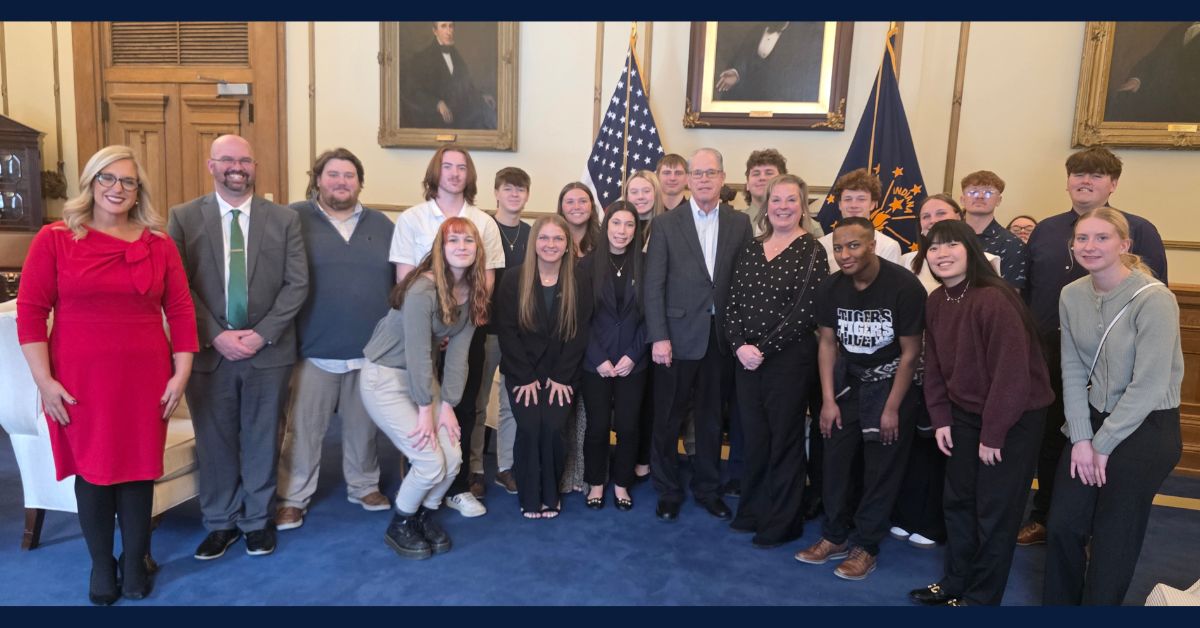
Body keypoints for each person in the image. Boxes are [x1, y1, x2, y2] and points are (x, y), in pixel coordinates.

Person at [17, 146, 198, 604]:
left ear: (140, 192)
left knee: (138, 471)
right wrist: (45, 382)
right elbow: (32, 314)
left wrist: (181, 374)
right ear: (91, 183)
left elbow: (179, 311)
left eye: (127, 181)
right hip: (79, 381)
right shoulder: (55, 239)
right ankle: (102, 565)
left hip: (144, 378)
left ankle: (135, 561)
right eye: (107, 179)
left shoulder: (160, 244)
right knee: (94, 473)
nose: (117, 188)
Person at [1017, 146, 1167, 547]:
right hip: (1051, 352)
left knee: (1108, 443)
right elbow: (1028, 292)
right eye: (1078, 173)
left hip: (1115, 361)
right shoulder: (1046, 230)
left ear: (1113, 184)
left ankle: (1095, 530)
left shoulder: (1140, 229)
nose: (1085, 181)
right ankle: (1047, 517)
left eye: (1096, 175)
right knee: (1053, 438)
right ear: (1067, 182)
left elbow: (1154, 294)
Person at [168, 135, 308, 561]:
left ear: (254, 166)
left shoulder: (283, 220)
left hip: (269, 350)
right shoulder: (184, 217)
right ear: (211, 165)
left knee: (263, 438)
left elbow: (297, 283)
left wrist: (261, 333)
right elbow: (178, 287)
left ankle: (256, 522)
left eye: (245, 160)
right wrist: (216, 334)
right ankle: (220, 522)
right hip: (211, 352)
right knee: (215, 439)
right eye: (227, 159)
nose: (237, 167)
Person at [907, 220, 1052, 606]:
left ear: (971, 250)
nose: (942, 254)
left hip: (1012, 418)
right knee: (958, 502)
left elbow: (1012, 375)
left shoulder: (994, 298)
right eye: (934, 248)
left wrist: (994, 434)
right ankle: (955, 581)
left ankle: (981, 597)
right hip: (965, 413)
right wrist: (940, 419)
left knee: (994, 512)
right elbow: (934, 366)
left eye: (952, 245)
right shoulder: (937, 300)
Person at [1043, 208, 1182, 605]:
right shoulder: (1071, 294)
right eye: (1082, 238)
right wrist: (1083, 437)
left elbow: (1150, 384)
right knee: (1063, 525)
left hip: (1148, 427)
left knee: (1113, 534)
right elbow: (1071, 369)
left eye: (1102, 238)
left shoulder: (1153, 299)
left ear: (1124, 245)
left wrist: (1103, 444)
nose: (1090, 246)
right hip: (1090, 421)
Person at [795, 218, 924, 581]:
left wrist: (893, 407)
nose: (844, 254)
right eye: (838, 248)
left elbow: (911, 352)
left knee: (880, 470)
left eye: (853, 246)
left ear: (872, 245)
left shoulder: (904, 286)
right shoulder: (831, 288)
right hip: (848, 385)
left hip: (890, 385)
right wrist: (827, 400)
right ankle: (834, 536)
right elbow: (826, 344)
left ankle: (866, 544)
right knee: (834, 464)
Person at [274, 148, 395, 532]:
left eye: (349, 176)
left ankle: (364, 486)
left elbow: (398, 283)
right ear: (318, 179)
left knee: (364, 427)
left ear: (360, 182)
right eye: (333, 175)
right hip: (313, 350)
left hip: (368, 351)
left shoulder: (382, 224)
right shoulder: (292, 219)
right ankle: (292, 497)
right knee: (304, 430)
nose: (341, 182)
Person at [359, 217, 488, 560]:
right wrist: (425, 412)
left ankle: (422, 514)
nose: (461, 247)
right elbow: (417, 352)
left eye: (468, 241)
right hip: (385, 376)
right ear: (440, 249)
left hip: (421, 378)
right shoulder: (422, 289)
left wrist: (447, 406)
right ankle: (400, 523)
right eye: (453, 241)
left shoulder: (473, 292)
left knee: (454, 457)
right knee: (430, 461)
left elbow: (458, 356)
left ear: (478, 250)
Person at [390, 144, 504, 518]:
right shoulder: (412, 218)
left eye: (461, 167)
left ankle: (455, 487)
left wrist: (456, 325)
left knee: (462, 403)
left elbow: (485, 281)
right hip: (421, 330)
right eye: (447, 166)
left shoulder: (483, 222)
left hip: (465, 330)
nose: (455, 173)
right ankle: (421, 477)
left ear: (469, 176)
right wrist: (430, 327)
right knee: (421, 404)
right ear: (435, 173)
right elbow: (406, 280)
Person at [643, 147, 752, 523]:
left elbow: (742, 286)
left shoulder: (740, 224)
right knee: (668, 419)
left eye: (711, 173)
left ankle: (707, 489)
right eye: (698, 173)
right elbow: (653, 285)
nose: (704, 180)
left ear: (723, 179)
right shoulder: (666, 225)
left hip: (719, 340)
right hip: (673, 339)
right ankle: (668, 490)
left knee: (709, 421)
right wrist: (658, 336)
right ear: (688, 180)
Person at [725, 174, 828, 548]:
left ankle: (784, 521)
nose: (782, 206)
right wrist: (739, 346)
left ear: (803, 206)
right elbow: (732, 301)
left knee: (784, 442)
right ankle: (752, 510)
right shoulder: (751, 247)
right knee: (755, 439)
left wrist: (762, 350)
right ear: (765, 204)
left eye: (791, 200)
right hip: (745, 361)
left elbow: (806, 312)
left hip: (787, 362)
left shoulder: (813, 250)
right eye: (776, 200)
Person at [496, 216, 593, 519]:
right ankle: (529, 495)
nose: (550, 245)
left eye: (558, 239)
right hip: (521, 372)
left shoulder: (579, 280)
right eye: (544, 238)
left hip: (561, 374)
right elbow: (507, 332)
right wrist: (524, 377)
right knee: (529, 427)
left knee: (551, 428)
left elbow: (580, 332)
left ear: (567, 246)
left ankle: (550, 494)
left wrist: (562, 377)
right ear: (534, 243)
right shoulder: (514, 279)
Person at [580, 202, 649, 512]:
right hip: (596, 363)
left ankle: (622, 483)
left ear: (637, 229)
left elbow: (652, 317)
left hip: (633, 362)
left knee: (628, 426)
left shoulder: (647, 265)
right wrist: (599, 358)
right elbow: (579, 319)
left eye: (629, 225)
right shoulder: (585, 266)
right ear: (606, 226)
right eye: (616, 223)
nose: (622, 231)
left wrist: (633, 355)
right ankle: (596, 482)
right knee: (596, 427)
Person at [467, 167, 531, 498]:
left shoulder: (533, 234)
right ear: (495, 192)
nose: (514, 195)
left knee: (512, 402)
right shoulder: (480, 228)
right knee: (478, 402)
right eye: (508, 189)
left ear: (527, 195)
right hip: (485, 330)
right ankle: (475, 468)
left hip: (519, 334)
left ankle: (505, 467)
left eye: (520, 190)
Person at [401, 21, 497, 129]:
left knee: (486, 114)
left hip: (460, 115)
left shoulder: (455, 55)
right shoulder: (423, 58)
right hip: (436, 120)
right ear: (435, 31)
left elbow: (465, 85)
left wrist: (481, 96)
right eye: (443, 26)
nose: (449, 31)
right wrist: (437, 104)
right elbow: (413, 92)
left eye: (451, 26)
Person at [903, 195, 1002, 293]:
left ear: (958, 217)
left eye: (941, 213)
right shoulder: (905, 260)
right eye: (926, 216)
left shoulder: (987, 260)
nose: (933, 220)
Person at [1107, 22, 1200, 123]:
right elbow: (1155, 57)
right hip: (1163, 99)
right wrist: (1136, 79)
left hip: (1191, 106)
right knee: (1118, 103)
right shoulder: (1181, 28)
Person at [818, 168, 903, 273]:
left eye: (861, 199)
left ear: (872, 204)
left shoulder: (889, 246)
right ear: (840, 204)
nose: (854, 205)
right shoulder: (821, 245)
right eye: (848, 199)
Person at [714, 21, 824, 102]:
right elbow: (745, 58)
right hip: (751, 101)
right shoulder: (757, 30)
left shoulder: (807, 34)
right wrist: (737, 73)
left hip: (782, 102)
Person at [959, 170, 1028, 292]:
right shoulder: (948, 237)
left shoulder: (1011, 243)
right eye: (973, 192)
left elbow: (1011, 295)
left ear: (999, 200)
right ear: (962, 199)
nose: (980, 196)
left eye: (988, 192)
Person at [557, 182, 601, 258]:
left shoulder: (605, 240)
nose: (576, 207)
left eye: (583, 201)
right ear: (562, 209)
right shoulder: (551, 241)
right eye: (570, 202)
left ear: (592, 207)